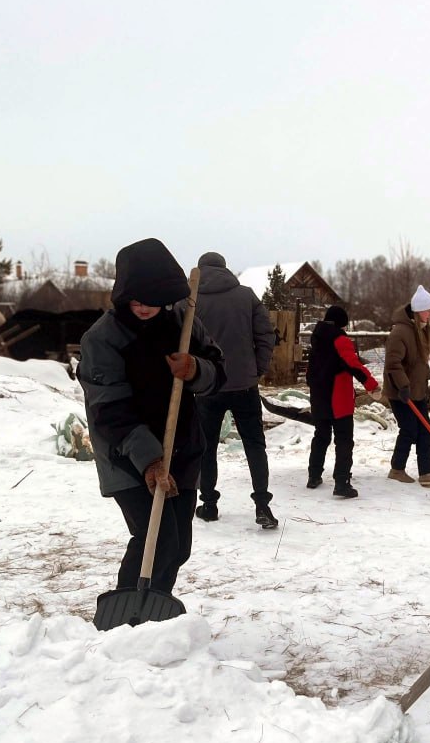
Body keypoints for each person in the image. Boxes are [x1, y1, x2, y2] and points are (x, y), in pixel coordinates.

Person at [78, 238, 225, 595]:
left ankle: (156, 611)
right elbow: (109, 409)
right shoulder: (103, 338)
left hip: (182, 448)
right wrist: (150, 461)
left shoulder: (183, 323)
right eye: (137, 300)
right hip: (127, 456)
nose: (144, 308)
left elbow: (218, 372)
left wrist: (195, 370)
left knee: (177, 548)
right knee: (157, 541)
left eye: (153, 301)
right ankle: (129, 616)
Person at [193, 251, 279, 528]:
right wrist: (258, 368)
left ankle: (208, 504)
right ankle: (263, 506)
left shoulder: (191, 299)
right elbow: (266, 333)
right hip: (244, 384)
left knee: (206, 448)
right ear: (224, 268)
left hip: (207, 386)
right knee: (255, 445)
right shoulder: (246, 295)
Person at [305, 305, 379, 498]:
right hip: (338, 397)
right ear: (341, 324)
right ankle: (342, 482)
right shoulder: (340, 339)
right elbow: (353, 364)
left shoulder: (317, 338)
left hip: (319, 396)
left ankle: (313, 476)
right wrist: (372, 385)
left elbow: (310, 372)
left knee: (321, 437)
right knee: (344, 440)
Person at [383, 284, 430, 487]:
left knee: (426, 430)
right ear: (418, 311)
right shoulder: (400, 332)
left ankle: (426, 472)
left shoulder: (420, 330)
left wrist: (423, 385)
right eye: (428, 310)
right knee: (409, 429)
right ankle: (397, 469)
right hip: (401, 391)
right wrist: (403, 386)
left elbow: (419, 363)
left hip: (417, 390)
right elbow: (393, 363)